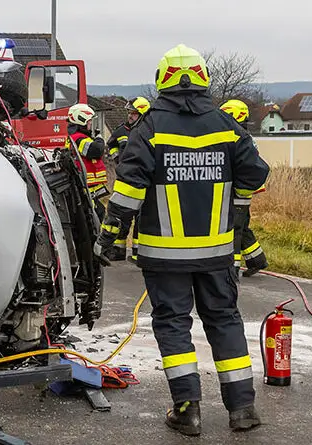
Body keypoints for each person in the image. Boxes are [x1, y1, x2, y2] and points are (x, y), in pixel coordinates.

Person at [93, 44, 269, 436]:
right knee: (224, 320)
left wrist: (109, 236)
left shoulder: (149, 128)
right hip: (218, 253)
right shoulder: (226, 125)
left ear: (162, 81)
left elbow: (128, 189)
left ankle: (188, 411)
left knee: (173, 325)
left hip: (164, 256)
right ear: (203, 79)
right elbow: (256, 172)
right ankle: (243, 409)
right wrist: (237, 207)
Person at [220, 99, 269, 277]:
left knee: (233, 229)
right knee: (242, 226)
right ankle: (257, 260)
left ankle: (232, 268)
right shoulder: (245, 138)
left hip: (238, 191)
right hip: (245, 190)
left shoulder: (237, 139)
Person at [106, 97, 151, 262]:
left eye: (134, 113)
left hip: (142, 181)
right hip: (124, 180)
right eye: (129, 112)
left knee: (141, 218)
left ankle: (138, 253)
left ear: (142, 114)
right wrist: (117, 159)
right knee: (122, 217)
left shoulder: (149, 131)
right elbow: (111, 144)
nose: (130, 116)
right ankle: (118, 250)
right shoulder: (121, 130)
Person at [65, 103, 108, 220]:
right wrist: (99, 139)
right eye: (89, 121)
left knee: (98, 212)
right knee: (95, 215)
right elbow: (96, 150)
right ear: (82, 121)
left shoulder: (76, 137)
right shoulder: (78, 138)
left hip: (88, 187)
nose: (90, 124)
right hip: (85, 187)